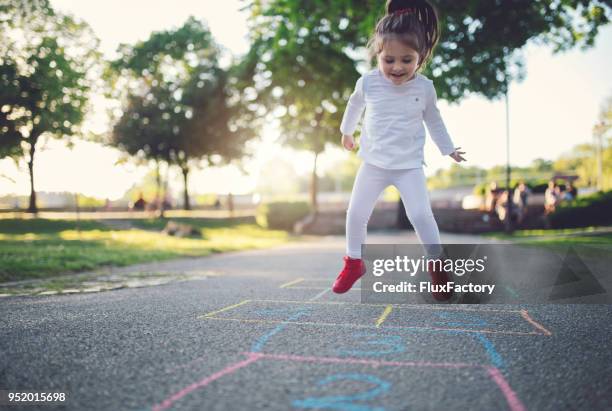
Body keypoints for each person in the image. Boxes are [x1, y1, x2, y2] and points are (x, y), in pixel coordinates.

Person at [332, 0, 466, 301]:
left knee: (420, 214)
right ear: (378, 54)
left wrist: (448, 149)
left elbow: (434, 118)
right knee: (356, 214)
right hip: (374, 163)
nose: (397, 67)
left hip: (409, 166)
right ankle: (353, 262)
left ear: (420, 58)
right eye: (389, 60)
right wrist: (346, 132)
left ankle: (437, 265)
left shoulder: (425, 88)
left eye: (407, 60)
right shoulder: (368, 82)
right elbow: (354, 104)